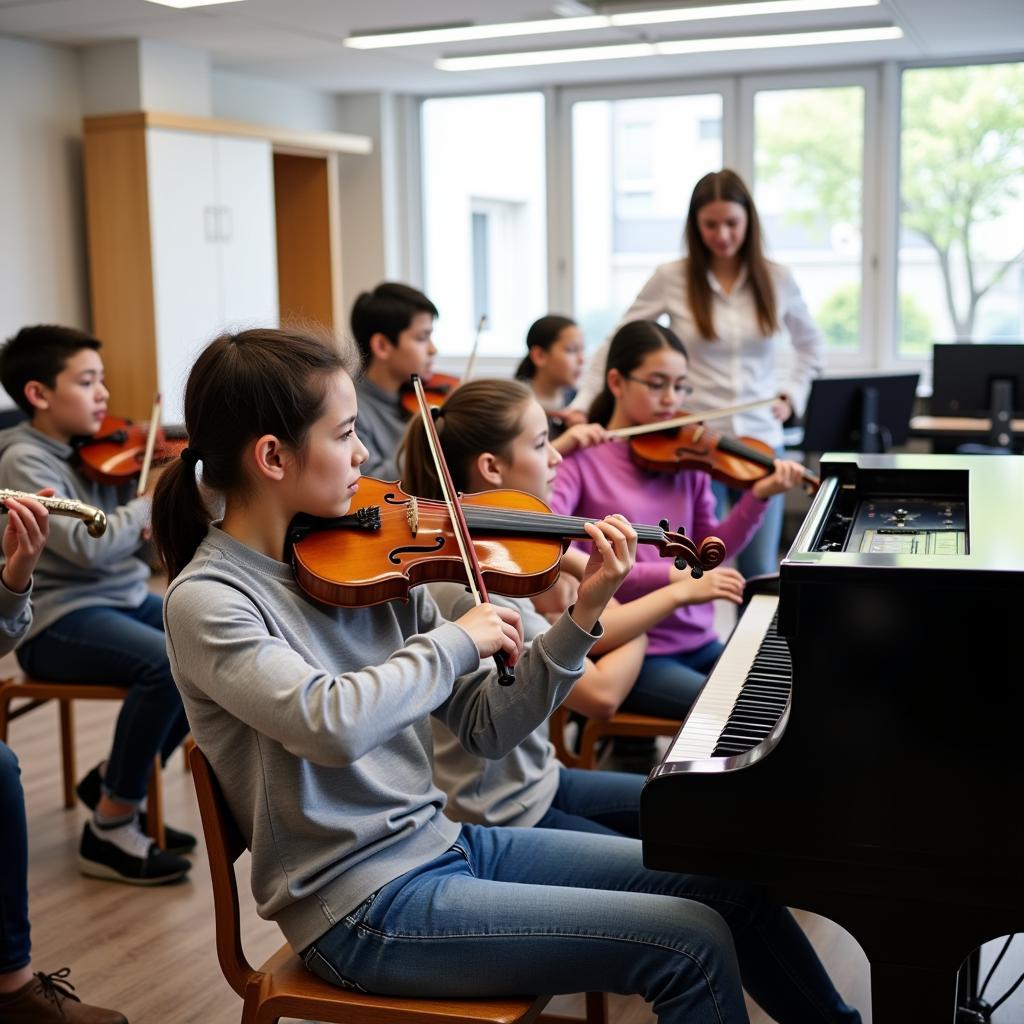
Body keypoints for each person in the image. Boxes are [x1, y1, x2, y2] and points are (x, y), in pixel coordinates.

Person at [152, 325, 761, 1024]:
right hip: (360, 905)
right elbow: (326, 723)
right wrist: (453, 641)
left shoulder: (369, 553)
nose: (364, 455)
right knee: (689, 942)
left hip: (444, 843)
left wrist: (584, 612)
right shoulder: (210, 600)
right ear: (272, 456)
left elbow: (489, 729)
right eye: (346, 434)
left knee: (724, 886)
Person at [400, 379, 860, 1024]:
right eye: (541, 442)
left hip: (542, 783)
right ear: (490, 469)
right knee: (712, 889)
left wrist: (611, 609)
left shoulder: (513, 552)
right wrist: (640, 606)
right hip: (503, 814)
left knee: (721, 845)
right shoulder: (465, 586)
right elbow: (601, 688)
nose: (559, 456)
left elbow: (598, 635)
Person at [0, 325, 193, 886]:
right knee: (163, 664)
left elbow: (131, 543)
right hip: (55, 621)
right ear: (38, 394)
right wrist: (149, 503)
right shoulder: (22, 463)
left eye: (101, 380)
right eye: (87, 382)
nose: (104, 395)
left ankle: (115, 782)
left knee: (204, 649)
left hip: (121, 599)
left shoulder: (95, 450)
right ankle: (111, 825)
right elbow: (90, 544)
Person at [573, 169, 824, 578]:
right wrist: (584, 403)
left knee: (760, 567)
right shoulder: (671, 276)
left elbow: (811, 345)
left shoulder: (777, 278)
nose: (722, 235)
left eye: (732, 224)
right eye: (710, 224)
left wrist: (792, 393)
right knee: (699, 559)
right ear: (695, 225)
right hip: (690, 439)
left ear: (749, 223)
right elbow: (619, 340)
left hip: (757, 440)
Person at [551, 320, 805, 719]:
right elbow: (567, 556)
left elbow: (709, 553)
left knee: (788, 696)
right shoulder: (581, 460)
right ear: (616, 382)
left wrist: (757, 498)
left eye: (681, 385)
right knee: (745, 714)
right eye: (657, 384)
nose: (672, 399)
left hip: (699, 638)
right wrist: (671, 578)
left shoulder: (685, 456)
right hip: (634, 648)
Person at [0, 491, 128, 1023]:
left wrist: (15, 574)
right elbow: (92, 552)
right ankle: (12, 984)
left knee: (176, 658)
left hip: (108, 600)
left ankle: (115, 800)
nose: (103, 398)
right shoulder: (27, 453)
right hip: (68, 619)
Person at [349, 281, 439, 480]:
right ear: (382, 345)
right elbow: (372, 480)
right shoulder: (352, 411)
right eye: (422, 338)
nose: (433, 349)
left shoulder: (417, 395)